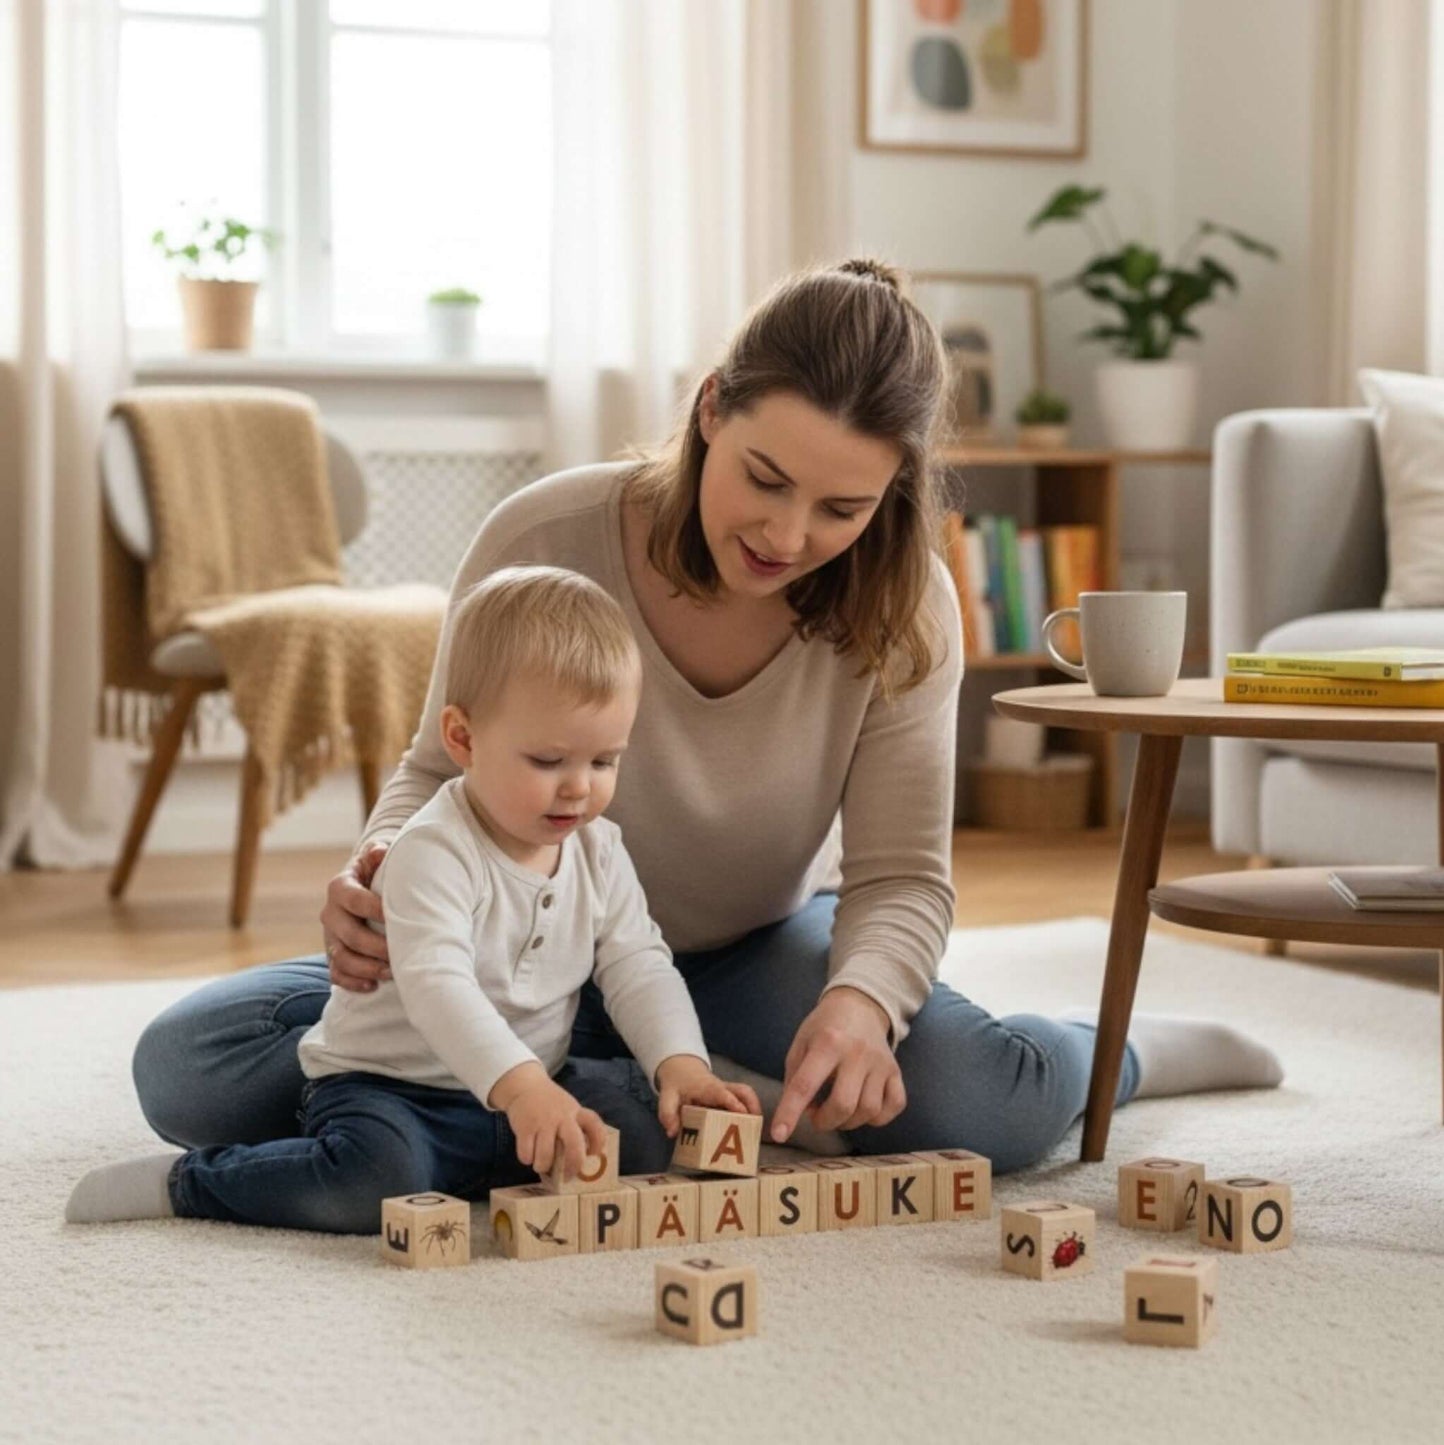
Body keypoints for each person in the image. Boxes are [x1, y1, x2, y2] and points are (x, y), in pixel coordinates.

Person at [121, 259, 1281, 1190]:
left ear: (895, 490)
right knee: (190, 1070)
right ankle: (627, 1069)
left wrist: (859, 1002)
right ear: (711, 407)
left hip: (752, 948)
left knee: (988, 1105)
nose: (786, 534)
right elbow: (439, 762)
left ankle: (1122, 1050)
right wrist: (376, 872)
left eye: (841, 506)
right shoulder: (546, 533)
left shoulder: (905, 602)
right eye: (764, 478)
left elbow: (901, 876)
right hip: (510, 938)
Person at [67, 567, 759, 1230]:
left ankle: (520, 1148)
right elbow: (437, 985)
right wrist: (523, 1091)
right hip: (395, 1088)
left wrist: (681, 1063)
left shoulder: (598, 849)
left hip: (536, 1078)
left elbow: (638, 963)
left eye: (603, 761)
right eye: (548, 761)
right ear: (461, 737)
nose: (578, 787)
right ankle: (191, 1182)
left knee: (638, 1137)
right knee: (372, 1178)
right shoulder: (432, 848)